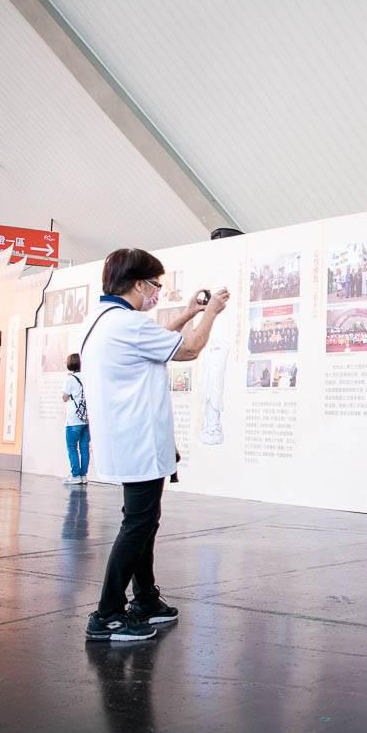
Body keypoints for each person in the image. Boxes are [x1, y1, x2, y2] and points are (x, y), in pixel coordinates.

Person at [81, 248, 229, 642]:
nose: (157, 293)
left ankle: (145, 599)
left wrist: (188, 312)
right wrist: (211, 313)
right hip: (138, 441)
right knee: (138, 525)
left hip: (127, 439)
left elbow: (158, 339)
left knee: (143, 521)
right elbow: (189, 349)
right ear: (138, 284)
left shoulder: (103, 320)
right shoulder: (128, 324)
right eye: (155, 285)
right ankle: (108, 615)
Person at [61, 353, 90, 486]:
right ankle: (83, 475)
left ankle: (75, 475)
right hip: (86, 418)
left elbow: (65, 398)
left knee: (72, 447)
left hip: (74, 418)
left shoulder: (70, 379)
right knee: (84, 447)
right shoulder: (88, 377)